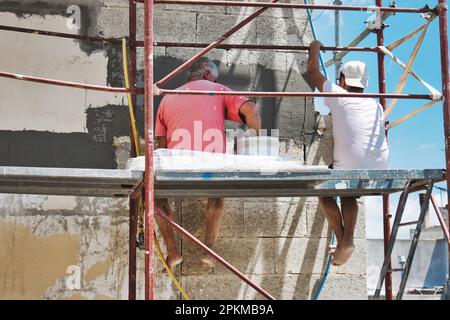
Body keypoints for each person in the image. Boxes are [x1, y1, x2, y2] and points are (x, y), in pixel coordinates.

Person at [155, 57, 261, 271]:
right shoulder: (217, 89)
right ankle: (209, 251)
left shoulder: (167, 98)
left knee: (157, 197)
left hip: (178, 169)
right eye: (213, 77)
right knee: (217, 195)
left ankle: (173, 250)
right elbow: (251, 110)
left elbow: (162, 147)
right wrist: (253, 146)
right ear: (206, 74)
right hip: (210, 169)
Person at [307, 40, 389, 266]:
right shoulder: (376, 105)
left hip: (351, 165)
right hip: (379, 165)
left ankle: (345, 239)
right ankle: (347, 242)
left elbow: (313, 72)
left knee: (324, 190)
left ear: (342, 80)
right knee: (349, 192)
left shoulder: (339, 95)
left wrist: (314, 45)